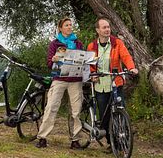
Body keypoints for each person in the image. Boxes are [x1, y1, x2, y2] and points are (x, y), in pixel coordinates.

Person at [86, 17, 138, 148]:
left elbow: (126, 56)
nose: (107, 29)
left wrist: (131, 68)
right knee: (105, 115)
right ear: (97, 30)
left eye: (108, 27)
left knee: (120, 110)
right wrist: (93, 75)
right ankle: (111, 142)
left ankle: (124, 140)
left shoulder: (117, 43)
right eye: (104, 27)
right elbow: (90, 64)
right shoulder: (92, 46)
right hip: (100, 85)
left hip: (115, 82)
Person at [35, 17, 85, 149]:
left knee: (75, 110)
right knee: (51, 107)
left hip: (75, 80)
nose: (69, 27)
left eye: (70, 25)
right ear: (60, 28)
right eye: (66, 25)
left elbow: (82, 59)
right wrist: (54, 60)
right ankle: (42, 137)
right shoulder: (55, 44)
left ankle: (75, 140)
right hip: (59, 79)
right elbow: (49, 63)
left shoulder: (78, 43)